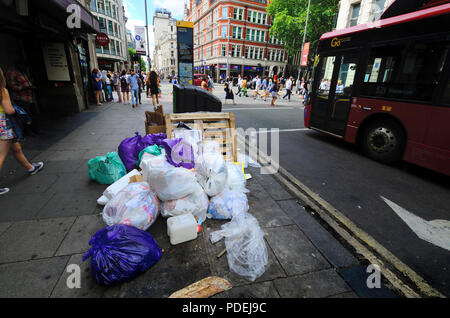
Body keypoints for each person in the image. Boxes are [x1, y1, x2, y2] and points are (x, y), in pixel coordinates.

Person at [0, 67, 44, 195]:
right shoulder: (2, 91)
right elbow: (9, 110)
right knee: (1, 156)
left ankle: (30, 168)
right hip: (3, 124)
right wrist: (16, 110)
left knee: (16, 148)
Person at [7, 62, 41, 135]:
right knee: (26, 115)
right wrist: (25, 88)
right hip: (21, 98)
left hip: (30, 98)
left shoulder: (23, 73)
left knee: (34, 114)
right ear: (18, 65)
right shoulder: (13, 73)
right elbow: (13, 87)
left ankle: (35, 130)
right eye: (24, 66)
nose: (25, 68)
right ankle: (28, 131)